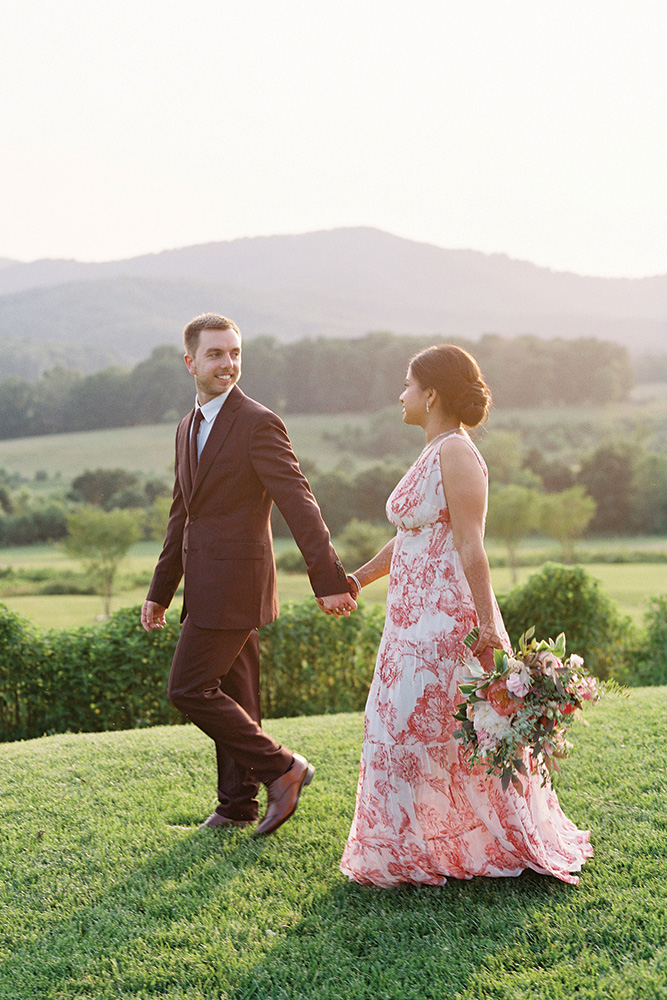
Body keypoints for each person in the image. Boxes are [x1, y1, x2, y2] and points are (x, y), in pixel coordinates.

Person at [340, 344, 593, 886]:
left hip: (443, 619)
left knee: (428, 727)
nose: (400, 395)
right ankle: (412, 844)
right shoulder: (432, 450)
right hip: (408, 619)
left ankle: (453, 845)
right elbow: (411, 536)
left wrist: (489, 626)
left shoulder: (456, 451)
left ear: (431, 394)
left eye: (407, 385)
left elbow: (470, 546)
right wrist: (358, 578)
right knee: (403, 725)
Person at [141, 312, 356, 835]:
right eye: (216, 354)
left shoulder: (258, 421)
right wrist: (161, 590)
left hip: (237, 584)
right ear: (190, 361)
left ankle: (283, 768)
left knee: (188, 688)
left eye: (235, 353)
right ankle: (237, 804)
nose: (228, 364)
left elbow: (298, 502)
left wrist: (327, 578)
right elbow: (181, 513)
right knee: (236, 695)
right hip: (202, 584)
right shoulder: (186, 426)